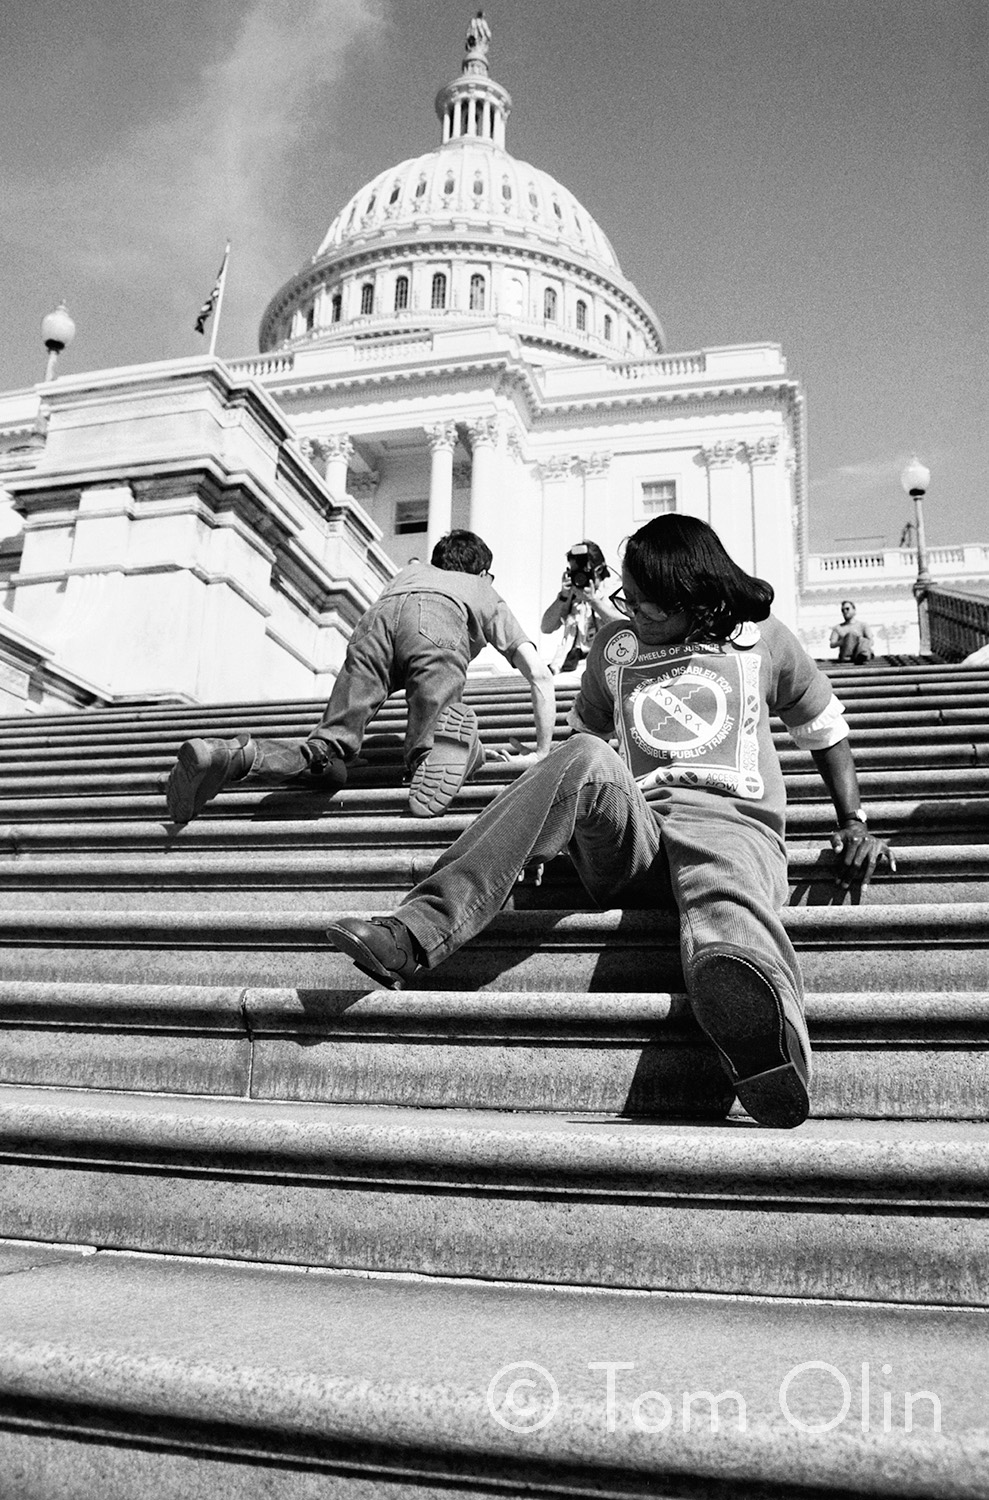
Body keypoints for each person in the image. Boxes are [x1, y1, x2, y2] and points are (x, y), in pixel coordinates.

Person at [327, 514, 895, 1130]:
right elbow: (584, 749)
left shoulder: (760, 641)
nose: (633, 615)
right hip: (638, 836)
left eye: (651, 608)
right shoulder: (614, 647)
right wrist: (543, 830)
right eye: (628, 597)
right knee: (584, 754)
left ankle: (764, 1043)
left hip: (732, 827)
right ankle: (416, 931)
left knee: (727, 907)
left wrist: (855, 821)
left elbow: (826, 729)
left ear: (699, 602)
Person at [166, 529, 556, 824]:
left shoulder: (408, 574)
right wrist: (541, 751)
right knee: (432, 744)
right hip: (438, 625)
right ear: (486, 573)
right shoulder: (480, 588)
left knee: (326, 755)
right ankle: (443, 752)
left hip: (374, 624)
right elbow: (539, 675)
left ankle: (230, 756)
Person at [540, 539, 622, 674]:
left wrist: (593, 601)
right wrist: (563, 597)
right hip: (569, 665)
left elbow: (624, 625)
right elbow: (546, 627)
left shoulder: (615, 592)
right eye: (574, 572)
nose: (579, 577)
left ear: (599, 569)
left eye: (583, 572)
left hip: (604, 665)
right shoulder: (571, 597)